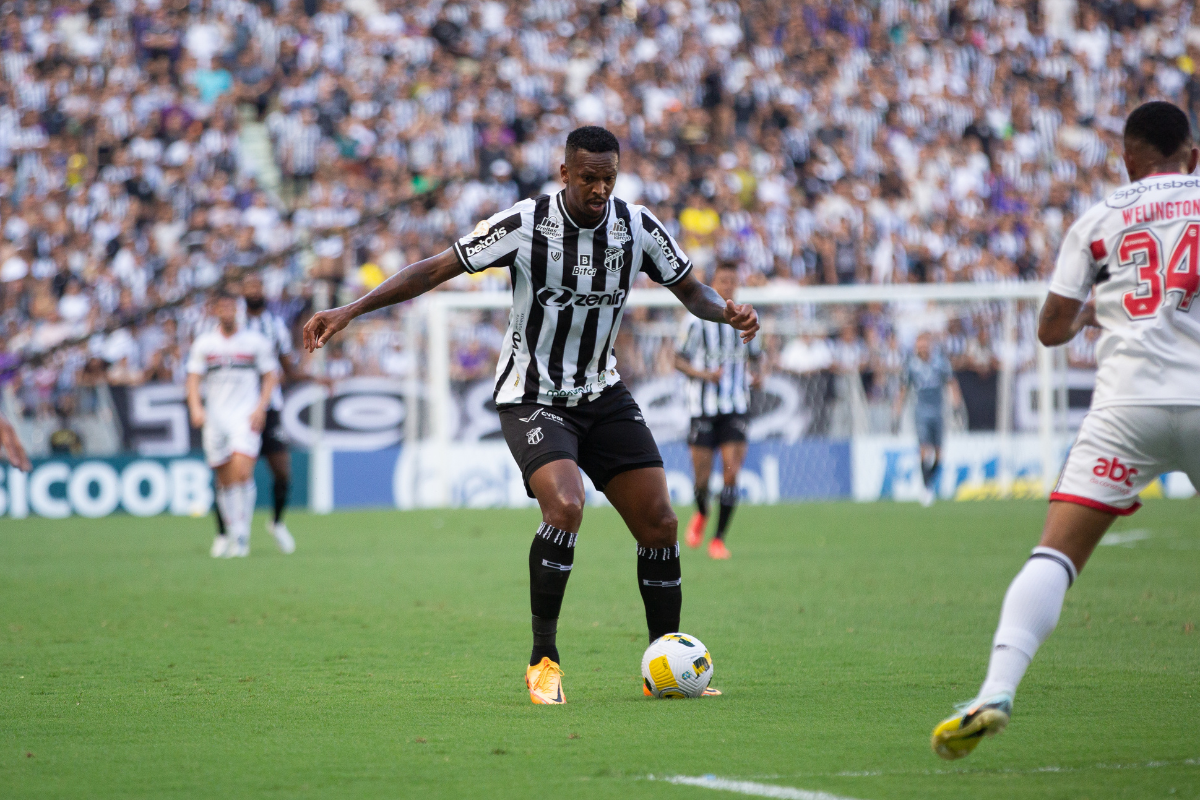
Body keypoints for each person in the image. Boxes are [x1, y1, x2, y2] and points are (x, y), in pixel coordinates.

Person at [303, 126, 759, 705]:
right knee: (566, 505)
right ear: (564, 173)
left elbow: (692, 292)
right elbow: (434, 270)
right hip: (533, 395)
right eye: (588, 177)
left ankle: (664, 664)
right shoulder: (525, 224)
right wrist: (352, 309)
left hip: (602, 391)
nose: (599, 188)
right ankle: (544, 659)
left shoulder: (637, 226)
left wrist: (729, 312)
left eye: (608, 178)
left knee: (661, 524)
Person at [931, 101, 1200, 759]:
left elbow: (1050, 329)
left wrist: (1089, 316)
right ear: (1191, 156)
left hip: (1124, 409)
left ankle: (995, 690)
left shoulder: (1099, 219)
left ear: (1126, 159)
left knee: (1054, 556)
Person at [675, 262, 762, 559]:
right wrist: (705, 375)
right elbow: (678, 360)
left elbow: (758, 356)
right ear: (712, 283)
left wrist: (760, 374)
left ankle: (719, 539)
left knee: (731, 473)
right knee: (701, 482)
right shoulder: (695, 321)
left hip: (736, 405)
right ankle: (701, 512)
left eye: (731, 280)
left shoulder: (748, 317)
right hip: (702, 408)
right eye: (722, 280)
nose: (727, 285)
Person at [187, 291, 280, 558]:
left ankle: (242, 534)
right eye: (222, 307)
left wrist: (261, 408)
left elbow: (270, 376)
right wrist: (196, 406)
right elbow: (193, 378)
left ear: (237, 309)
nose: (227, 311)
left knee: (242, 472)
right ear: (215, 311)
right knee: (224, 479)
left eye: (231, 306)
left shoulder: (254, 342)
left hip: (244, 415)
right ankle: (230, 532)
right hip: (215, 418)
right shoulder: (205, 344)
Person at [210, 276, 297, 555]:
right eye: (247, 288)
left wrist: (314, 377)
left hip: (268, 406)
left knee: (282, 469)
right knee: (227, 472)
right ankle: (225, 533)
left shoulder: (275, 326)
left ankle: (277, 523)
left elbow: (285, 367)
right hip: (236, 409)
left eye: (257, 287)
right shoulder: (235, 327)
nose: (253, 292)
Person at [893, 332, 961, 507]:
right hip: (921, 412)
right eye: (919, 345)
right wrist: (896, 414)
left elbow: (952, 383)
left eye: (924, 344)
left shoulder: (940, 363)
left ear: (929, 345)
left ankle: (928, 483)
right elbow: (903, 390)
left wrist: (956, 406)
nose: (922, 348)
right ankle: (926, 488)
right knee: (924, 450)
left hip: (938, 412)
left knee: (939, 453)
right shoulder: (911, 365)